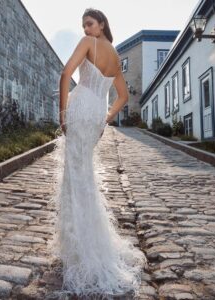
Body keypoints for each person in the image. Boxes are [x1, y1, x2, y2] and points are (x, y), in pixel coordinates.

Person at [47, 8, 147, 299]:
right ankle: (86, 243)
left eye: (89, 23)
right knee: (84, 175)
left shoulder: (88, 43)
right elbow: (123, 97)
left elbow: (66, 73)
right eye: (83, 25)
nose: (86, 28)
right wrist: (106, 118)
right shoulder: (115, 56)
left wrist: (62, 113)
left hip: (80, 109)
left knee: (75, 176)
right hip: (96, 115)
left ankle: (80, 248)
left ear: (101, 24)